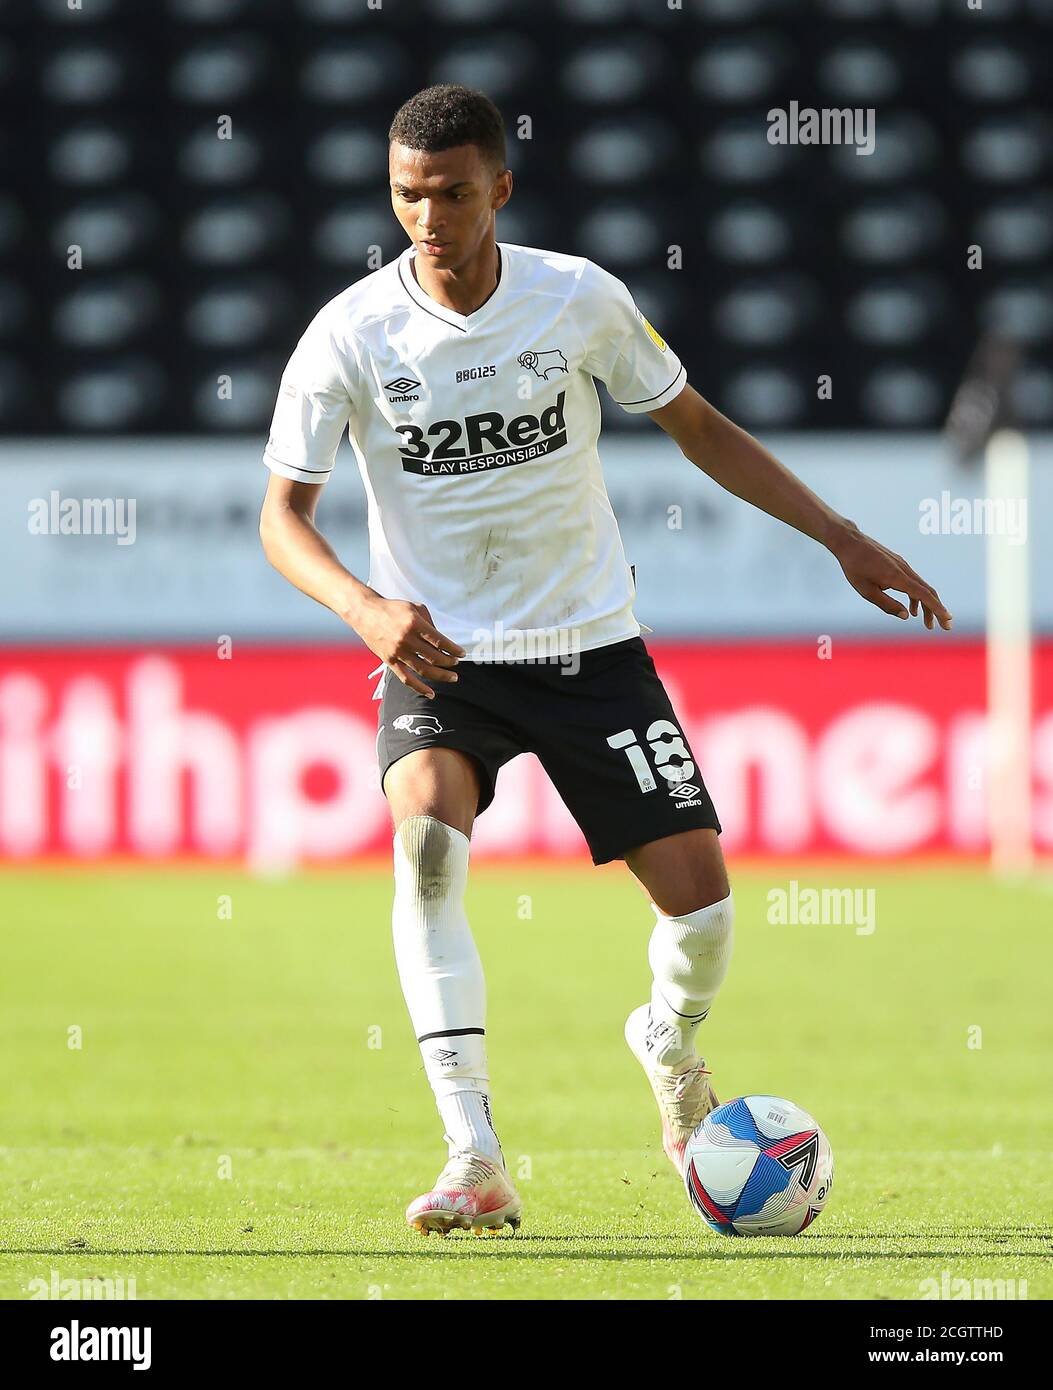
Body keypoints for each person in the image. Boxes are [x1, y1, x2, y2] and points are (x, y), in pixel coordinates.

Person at [259, 83, 952, 1235]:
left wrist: (842, 536)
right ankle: (473, 1151)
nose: (427, 219)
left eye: (452, 195)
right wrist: (365, 608)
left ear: (501, 190)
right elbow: (283, 516)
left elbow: (702, 428)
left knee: (703, 909)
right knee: (426, 842)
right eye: (407, 196)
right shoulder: (350, 333)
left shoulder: (577, 299)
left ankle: (669, 1046)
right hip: (438, 656)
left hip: (588, 646)